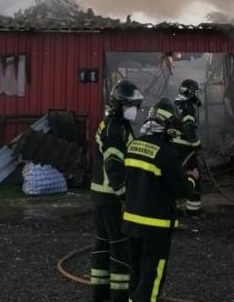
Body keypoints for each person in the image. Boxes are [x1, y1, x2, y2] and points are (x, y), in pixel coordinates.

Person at [122, 98, 199, 302]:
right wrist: (192, 178)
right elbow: (181, 189)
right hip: (155, 227)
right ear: (167, 126)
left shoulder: (133, 145)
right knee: (152, 276)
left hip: (131, 223)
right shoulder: (166, 152)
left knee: (136, 273)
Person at [89, 80, 143, 302]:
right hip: (111, 197)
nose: (135, 110)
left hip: (100, 195)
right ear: (120, 105)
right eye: (132, 105)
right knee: (120, 247)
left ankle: (99, 294)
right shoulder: (116, 129)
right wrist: (123, 195)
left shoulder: (111, 123)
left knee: (102, 245)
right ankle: (120, 295)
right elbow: (113, 164)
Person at [173, 79, 203, 213]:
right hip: (185, 148)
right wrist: (197, 144)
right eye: (195, 93)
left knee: (177, 175)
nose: (197, 96)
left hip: (174, 147)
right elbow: (188, 128)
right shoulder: (188, 108)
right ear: (189, 93)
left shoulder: (176, 104)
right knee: (195, 174)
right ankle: (193, 209)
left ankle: (177, 207)